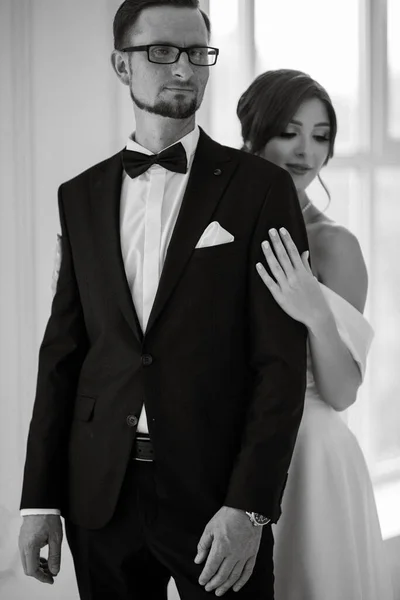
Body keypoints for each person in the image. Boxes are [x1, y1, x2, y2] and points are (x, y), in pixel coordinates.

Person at [18, 4, 309, 599]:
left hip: (216, 495)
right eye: (161, 52)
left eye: (197, 53)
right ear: (120, 64)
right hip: (101, 494)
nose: (183, 68)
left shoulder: (261, 189)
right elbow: (64, 355)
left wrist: (251, 507)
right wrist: (38, 500)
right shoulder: (79, 196)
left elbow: (280, 362)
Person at [237, 68, 394, 600]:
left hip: (312, 463)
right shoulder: (212, 231)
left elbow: (343, 393)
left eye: (320, 135)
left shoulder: (335, 245)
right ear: (252, 135)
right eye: (289, 131)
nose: (306, 150)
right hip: (229, 458)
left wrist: (315, 312)